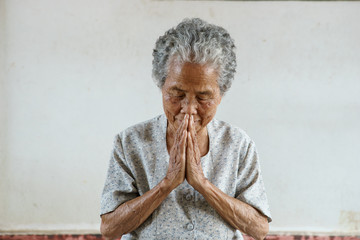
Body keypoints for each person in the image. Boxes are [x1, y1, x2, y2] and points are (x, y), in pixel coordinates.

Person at [100, 18, 272, 240]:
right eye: (177, 94)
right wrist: (166, 184)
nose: (189, 109)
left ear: (221, 94)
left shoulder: (238, 144)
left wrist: (202, 184)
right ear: (161, 87)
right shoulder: (130, 142)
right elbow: (109, 228)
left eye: (203, 97)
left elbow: (258, 229)